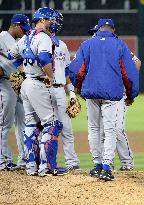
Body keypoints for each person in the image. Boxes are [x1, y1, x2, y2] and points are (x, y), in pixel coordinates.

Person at [69, 18, 139, 181]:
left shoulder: (87, 44)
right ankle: (107, 166)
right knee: (110, 130)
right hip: (112, 95)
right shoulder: (120, 45)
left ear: (99, 29)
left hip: (91, 94)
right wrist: (131, 94)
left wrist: (77, 87)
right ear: (113, 30)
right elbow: (128, 74)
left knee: (93, 129)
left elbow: (76, 70)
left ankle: (97, 164)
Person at [9, 7, 67, 176]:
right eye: (50, 20)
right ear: (42, 20)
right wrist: (50, 76)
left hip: (27, 83)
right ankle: (47, 167)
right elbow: (43, 58)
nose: (53, 23)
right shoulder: (43, 37)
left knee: (31, 125)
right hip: (39, 83)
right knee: (52, 124)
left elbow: (11, 55)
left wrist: (22, 69)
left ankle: (31, 166)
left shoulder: (26, 37)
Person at [87, 24, 141, 171]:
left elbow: (136, 62)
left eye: (95, 31)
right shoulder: (90, 48)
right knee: (102, 130)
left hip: (117, 94)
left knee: (116, 129)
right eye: (93, 32)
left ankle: (127, 162)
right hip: (98, 95)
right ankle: (107, 163)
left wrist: (125, 82)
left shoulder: (115, 46)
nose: (94, 34)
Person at [49, 10, 81, 171]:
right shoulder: (36, 41)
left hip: (60, 91)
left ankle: (72, 162)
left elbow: (67, 71)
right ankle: (41, 162)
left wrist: (73, 94)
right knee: (43, 127)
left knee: (66, 127)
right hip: (42, 90)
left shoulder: (62, 45)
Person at [0, 13, 30, 171]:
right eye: (23, 28)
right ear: (15, 26)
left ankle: (24, 160)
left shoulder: (20, 41)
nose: (25, 31)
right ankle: (2, 161)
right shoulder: (2, 37)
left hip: (19, 85)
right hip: (5, 84)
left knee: (23, 122)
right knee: (4, 124)